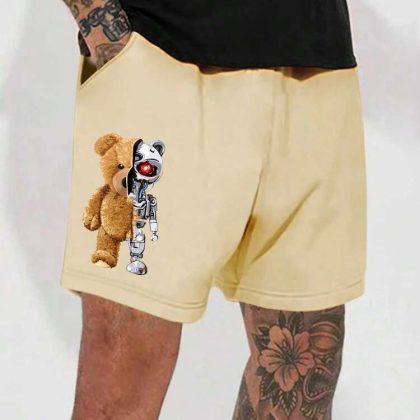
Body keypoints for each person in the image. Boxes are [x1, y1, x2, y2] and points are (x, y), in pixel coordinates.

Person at [60, 1, 367, 419]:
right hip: (163, 55)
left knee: (301, 364)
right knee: (129, 359)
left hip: (316, 64)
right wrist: (104, 30)